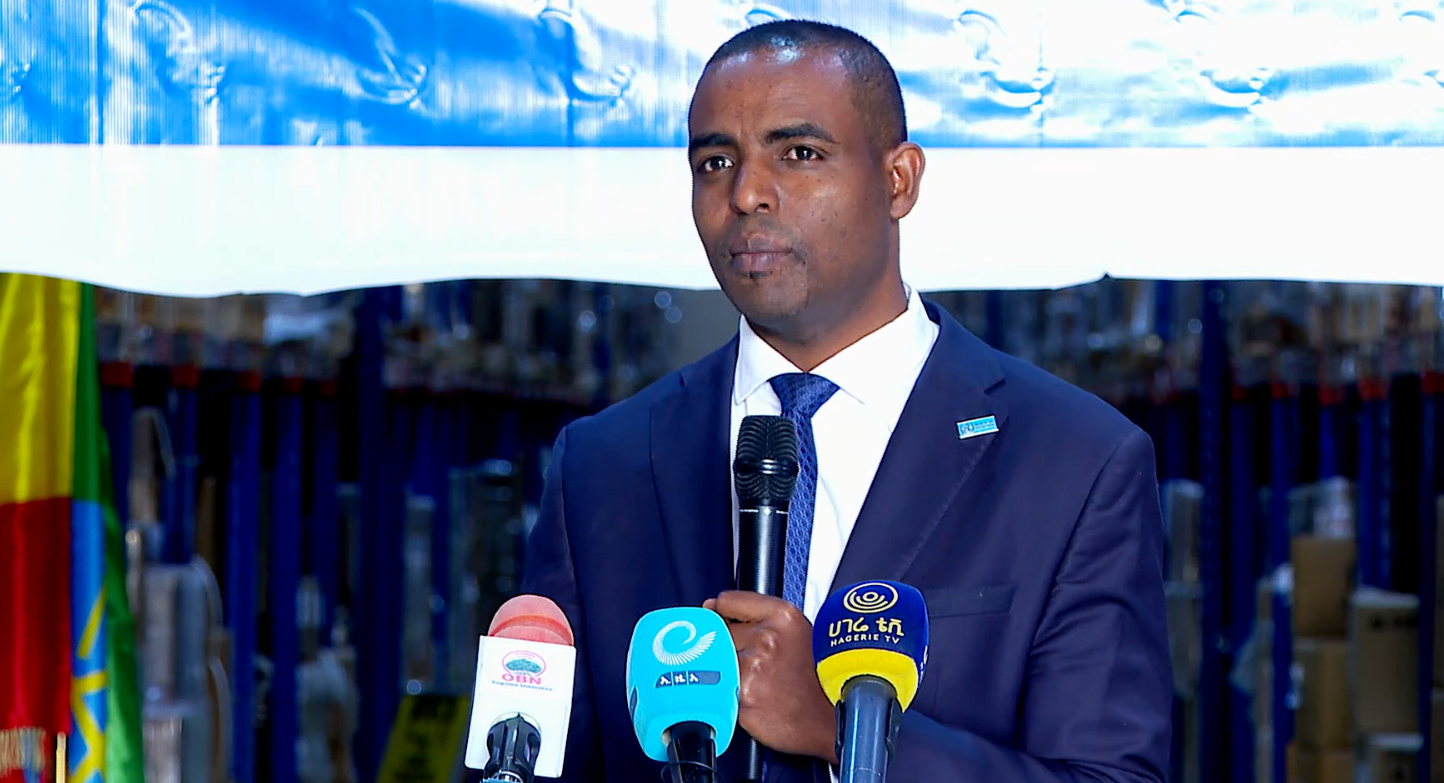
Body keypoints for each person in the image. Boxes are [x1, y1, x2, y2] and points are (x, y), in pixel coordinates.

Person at [519, 18, 1172, 783]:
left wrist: (840, 728)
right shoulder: (604, 464)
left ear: (899, 180)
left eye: (799, 153)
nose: (746, 193)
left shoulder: (1074, 462)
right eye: (715, 162)